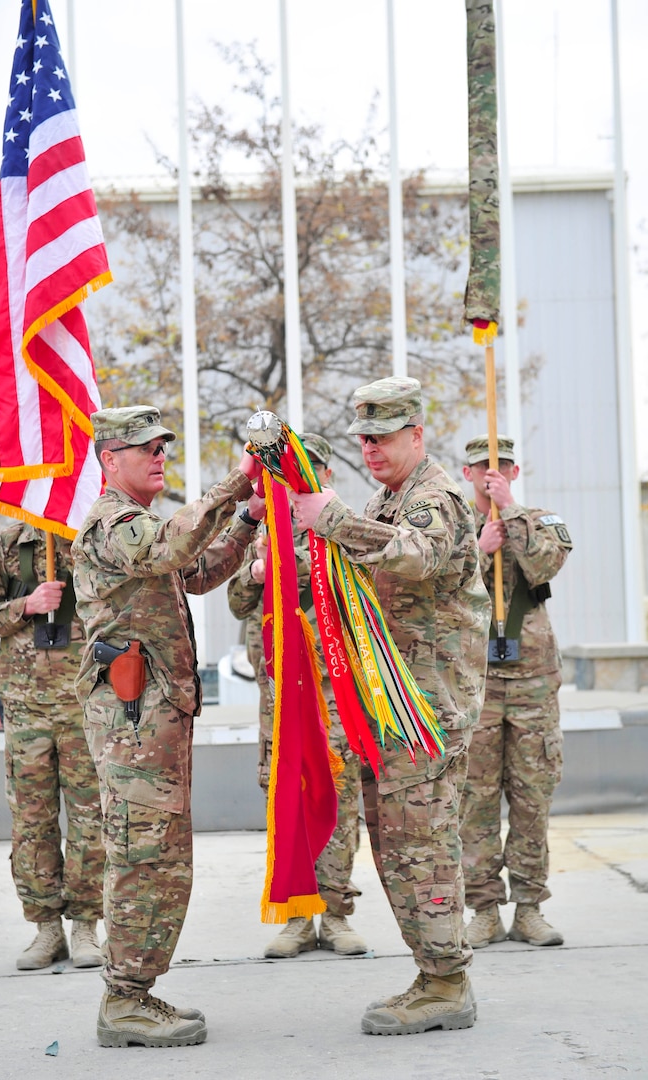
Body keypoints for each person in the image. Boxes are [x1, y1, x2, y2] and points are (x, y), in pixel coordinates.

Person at [290, 377, 491, 1036]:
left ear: (416, 435)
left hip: (426, 710)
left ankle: (445, 982)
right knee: (398, 844)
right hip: (394, 708)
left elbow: (415, 555)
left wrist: (334, 520)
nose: (369, 448)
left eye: (381, 437)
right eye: (363, 438)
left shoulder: (437, 499)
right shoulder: (390, 497)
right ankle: (432, 972)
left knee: (423, 844)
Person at [71, 405, 264, 1050]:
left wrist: (248, 520)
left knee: (164, 856)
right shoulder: (110, 522)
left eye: (162, 446)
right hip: (132, 720)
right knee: (139, 852)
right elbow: (177, 548)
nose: (160, 456)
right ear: (110, 459)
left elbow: (198, 572)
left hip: (156, 717)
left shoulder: (145, 525)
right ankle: (123, 999)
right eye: (146, 447)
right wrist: (235, 482)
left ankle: (138, 991)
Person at [227, 433, 367, 959]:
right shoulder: (263, 533)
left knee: (336, 795)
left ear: (325, 476)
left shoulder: (340, 527)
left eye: (305, 474)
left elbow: (349, 581)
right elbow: (239, 600)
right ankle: (298, 916)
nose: (294, 486)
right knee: (286, 799)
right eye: (284, 477)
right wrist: (262, 570)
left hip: (332, 693)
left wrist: (290, 563)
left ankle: (335, 913)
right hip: (279, 698)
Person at [0, 525, 105, 971]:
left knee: (90, 817)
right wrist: (25, 605)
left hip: (85, 702)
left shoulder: (94, 538)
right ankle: (46, 928)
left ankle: (86, 924)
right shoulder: (6, 547)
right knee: (31, 820)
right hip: (26, 705)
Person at [459, 434, 572, 949]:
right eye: (482, 466)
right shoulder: (454, 527)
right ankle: (483, 908)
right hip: (475, 679)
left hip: (531, 681)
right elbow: (436, 581)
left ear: (515, 470)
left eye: (500, 466)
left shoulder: (539, 521)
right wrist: (479, 548)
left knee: (532, 798)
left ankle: (530, 906)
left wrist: (510, 512)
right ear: (466, 473)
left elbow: (545, 565)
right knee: (475, 800)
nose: (490, 474)